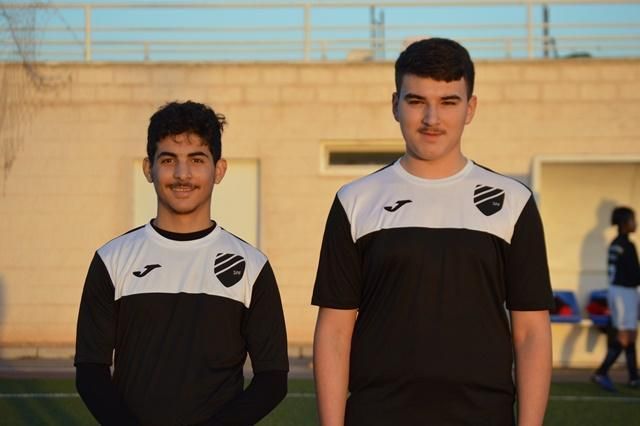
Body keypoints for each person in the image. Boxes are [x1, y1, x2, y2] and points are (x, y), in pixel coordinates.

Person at [312, 38, 553, 425]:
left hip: (483, 415)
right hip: (378, 414)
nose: (431, 118)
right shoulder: (355, 201)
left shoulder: (512, 201)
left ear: (470, 108)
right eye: (416, 101)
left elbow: (531, 332)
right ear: (395, 104)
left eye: (448, 102)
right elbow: (335, 331)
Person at [74, 101, 289, 425]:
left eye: (197, 160)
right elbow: (91, 371)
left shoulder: (251, 266)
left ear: (219, 169)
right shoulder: (112, 259)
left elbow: (273, 379)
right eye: (169, 160)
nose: (182, 174)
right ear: (149, 168)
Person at [592, 206, 640, 391]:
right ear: (623, 223)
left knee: (631, 335)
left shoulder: (617, 243)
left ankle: (633, 377)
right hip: (622, 293)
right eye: (632, 219)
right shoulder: (626, 245)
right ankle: (601, 372)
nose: (635, 223)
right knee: (624, 336)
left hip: (622, 291)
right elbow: (634, 275)